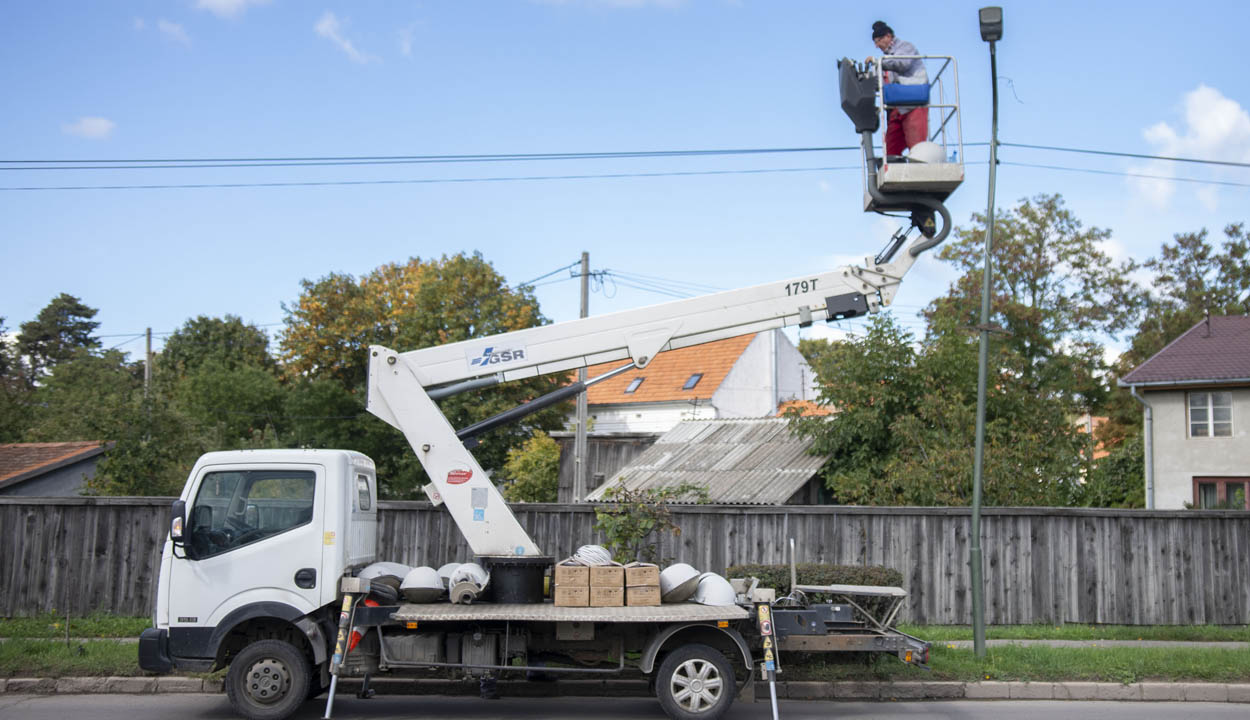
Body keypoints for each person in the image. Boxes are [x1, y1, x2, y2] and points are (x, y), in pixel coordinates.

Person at [866, 21, 929, 157]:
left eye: (878, 41)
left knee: (917, 150)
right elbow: (880, 83)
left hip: (913, 105)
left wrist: (879, 62)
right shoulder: (884, 60)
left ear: (888, 36)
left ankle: (917, 171)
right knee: (890, 150)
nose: (877, 46)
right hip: (896, 108)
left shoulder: (906, 47)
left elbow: (902, 64)